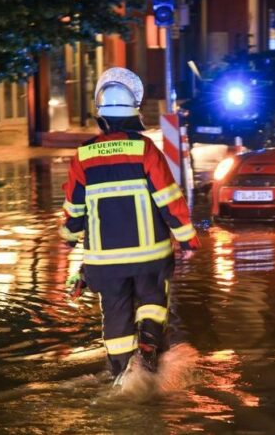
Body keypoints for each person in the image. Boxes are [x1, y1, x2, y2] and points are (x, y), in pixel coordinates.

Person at [59, 67, 200, 384]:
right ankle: (149, 339)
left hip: (105, 262)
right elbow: (169, 199)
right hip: (149, 256)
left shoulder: (83, 155)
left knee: (115, 312)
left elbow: (73, 209)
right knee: (153, 297)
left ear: (102, 117)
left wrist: (68, 239)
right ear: (134, 116)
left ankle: (122, 374)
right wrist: (188, 240)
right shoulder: (145, 149)